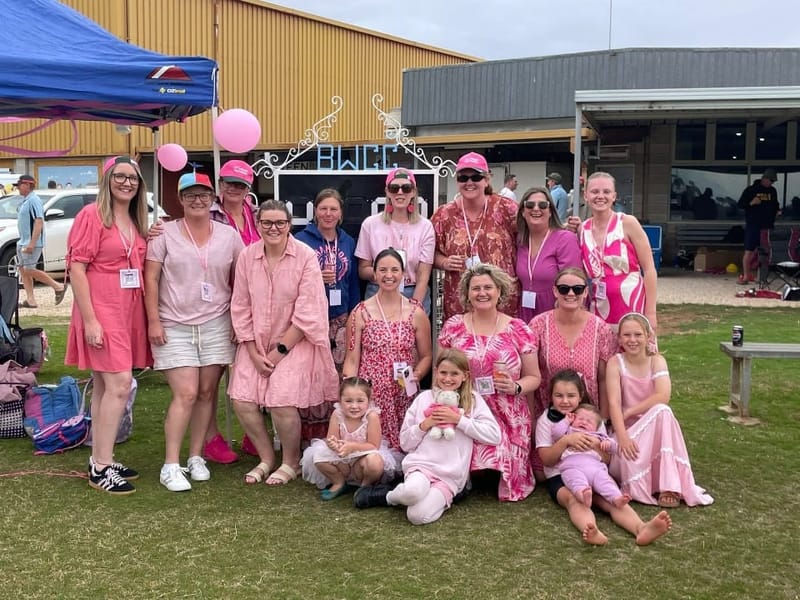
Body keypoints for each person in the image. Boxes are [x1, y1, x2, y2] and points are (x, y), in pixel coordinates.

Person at [144, 172, 244, 492]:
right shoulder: (164, 232)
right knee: (185, 392)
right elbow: (150, 279)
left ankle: (196, 456)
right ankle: (170, 464)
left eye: (203, 194)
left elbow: (242, 277)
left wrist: (238, 321)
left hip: (216, 322)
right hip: (174, 322)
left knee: (205, 392)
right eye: (190, 195)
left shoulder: (229, 235)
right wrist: (153, 321)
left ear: (213, 197)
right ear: (180, 199)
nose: (197, 200)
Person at [229, 200, 339, 486]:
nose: (273, 228)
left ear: (289, 225)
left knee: (281, 401)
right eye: (267, 222)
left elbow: (309, 310)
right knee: (241, 399)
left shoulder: (305, 256)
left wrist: (278, 353)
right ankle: (266, 458)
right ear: (258, 224)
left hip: (293, 342)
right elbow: (240, 305)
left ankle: (291, 462)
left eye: (280, 223)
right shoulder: (246, 257)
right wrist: (253, 352)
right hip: (254, 343)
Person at [65, 156, 151, 495]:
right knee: (119, 385)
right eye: (120, 176)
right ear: (108, 180)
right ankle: (100, 468)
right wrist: (90, 320)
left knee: (104, 388)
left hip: (126, 309)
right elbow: (77, 269)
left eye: (132, 178)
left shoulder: (134, 219)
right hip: (102, 309)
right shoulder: (91, 216)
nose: (127, 182)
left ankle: (102, 457)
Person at [354, 349, 502, 522]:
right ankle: (386, 496)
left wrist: (459, 420)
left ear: (465, 376)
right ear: (436, 371)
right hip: (422, 466)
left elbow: (494, 435)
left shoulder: (473, 400)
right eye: (443, 372)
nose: (447, 378)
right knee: (412, 493)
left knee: (416, 516)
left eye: (454, 373)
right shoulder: (424, 398)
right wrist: (425, 425)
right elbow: (405, 443)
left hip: (451, 476)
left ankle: (411, 496)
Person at [438, 264, 540, 502]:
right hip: (466, 406)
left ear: (499, 291)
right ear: (467, 293)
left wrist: (516, 387)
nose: (482, 293)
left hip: (507, 410)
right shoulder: (453, 326)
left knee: (504, 458)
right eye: (476, 289)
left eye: (488, 288)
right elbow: (440, 372)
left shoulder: (518, 329)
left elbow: (534, 377)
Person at [537, 369, 672, 546]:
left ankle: (641, 528)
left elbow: (607, 458)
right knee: (576, 500)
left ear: (580, 396)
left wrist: (594, 443)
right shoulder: (546, 421)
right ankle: (591, 528)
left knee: (613, 499)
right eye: (559, 395)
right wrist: (566, 441)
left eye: (571, 395)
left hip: (594, 470)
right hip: (560, 476)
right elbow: (546, 459)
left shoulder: (590, 417)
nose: (565, 401)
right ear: (551, 396)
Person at [607, 312, 714, 507]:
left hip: (654, 428)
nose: (632, 340)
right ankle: (659, 484)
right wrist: (622, 436)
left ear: (649, 336)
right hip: (628, 432)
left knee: (662, 411)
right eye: (627, 335)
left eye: (638, 335)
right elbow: (613, 403)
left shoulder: (656, 361)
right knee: (661, 413)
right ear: (619, 338)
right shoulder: (615, 363)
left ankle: (669, 487)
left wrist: (630, 411)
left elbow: (663, 396)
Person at [198, 159, 260, 463]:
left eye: (241, 184)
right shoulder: (207, 214)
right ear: (220, 185)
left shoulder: (256, 215)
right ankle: (211, 438)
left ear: (248, 188)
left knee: (251, 374)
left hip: (253, 306)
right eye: (229, 183)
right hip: (217, 305)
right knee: (211, 378)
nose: (234, 189)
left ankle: (253, 431)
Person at [528, 267, 617, 479]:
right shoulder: (538, 325)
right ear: (555, 291)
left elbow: (604, 378)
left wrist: (602, 419)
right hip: (550, 416)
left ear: (586, 292)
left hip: (587, 415)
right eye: (564, 288)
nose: (570, 294)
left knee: (592, 468)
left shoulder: (600, 329)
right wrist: (532, 419)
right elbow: (531, 374)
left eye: (577, 289)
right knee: (542, 474)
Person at [343, 248, 432, 450]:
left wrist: (418, 374)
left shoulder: (416, 312)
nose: (389, 275)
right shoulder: (361, 312)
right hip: (372, 390)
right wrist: (351, 393)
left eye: (394, 270)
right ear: (374, 274)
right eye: (383, 270)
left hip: (403, 389)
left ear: (403, 274)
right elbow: (352, 358)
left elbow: (426, 355)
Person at [432, 152, 519, 322]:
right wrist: (444, 262)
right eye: (463, 178)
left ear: (486, 180)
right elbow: (428, 253)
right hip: (460, 303)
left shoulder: (506, 208)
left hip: (502, 302)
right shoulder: (444, 214)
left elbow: (532, 236)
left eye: (476, 177)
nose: (469, 182)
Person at [578, 171, 658, 331]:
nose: (600, 196)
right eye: (594, 192)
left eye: (606, 192)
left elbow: (649, 269)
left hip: (631, 304)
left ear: (614, 196)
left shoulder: (628, 223)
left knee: (634, 351)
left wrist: (651, 312)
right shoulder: (583, 229)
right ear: (586, 196)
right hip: (599, 307)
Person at [295, 188, 361, 372]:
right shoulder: (300, 240)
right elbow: (291, 279)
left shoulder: (347, 241)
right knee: (312, 369)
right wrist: (315, 277)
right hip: (311, 315)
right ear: (315, 211)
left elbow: (353, 281)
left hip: (341, 316)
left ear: (341, 213)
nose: (328, 214)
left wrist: (353, 315)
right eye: (323, 208)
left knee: (339, 368)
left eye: (333, 209)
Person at [300, 377, 398, 500]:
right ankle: (339, 482)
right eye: (348, 401)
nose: (354, 406)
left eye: (360, 401)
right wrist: (334, 445)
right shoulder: (337, 414)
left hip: (363, 458)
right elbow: (331, 438)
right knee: (318, 456)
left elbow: (374, 445)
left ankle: (365, 486)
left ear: (369, 400)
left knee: (375, 462)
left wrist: (352, 447)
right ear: (340, 400)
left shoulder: (371, 416)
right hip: (343, 459)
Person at [355, 168, 434, 315]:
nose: (400, 192)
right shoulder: (370, 224)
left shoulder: (425, 227)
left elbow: (424, 274)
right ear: (387, 191)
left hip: (413, 292)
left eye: (406, 188)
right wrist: (386, 275)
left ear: (413, 192)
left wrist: (414, 308)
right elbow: (362, 269)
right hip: (377, 292)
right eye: (394, 188)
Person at [515, 186, 581, 322]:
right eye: (530, 205)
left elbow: (574, 284)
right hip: (526, 311)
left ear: (550, 211)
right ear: (522, 212)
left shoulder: (565, 239)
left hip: (556, 311)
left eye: (543, 205)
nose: (536, 209)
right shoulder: (520, 241)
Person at [552, 403, 629, 508]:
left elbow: (615, 448)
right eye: (580, 419)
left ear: (596, 428)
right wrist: (566, 421)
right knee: (575, 481)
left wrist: (608, 444)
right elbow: (555, 434)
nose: (584, 422)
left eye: (589, 421)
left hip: (596, 469)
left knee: (605, 482)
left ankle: (616, 498)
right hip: (572, 467)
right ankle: (583, 496)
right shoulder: (569, 431)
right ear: (573, 420)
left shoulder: (599, 435)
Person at [13, 174, 67, 309]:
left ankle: (58, 286)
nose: (18, 188)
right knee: (23, 270)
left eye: (19, 185)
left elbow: (38, 221)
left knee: (29, 269)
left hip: (31, 243)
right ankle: (30, 300)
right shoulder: (26, 200)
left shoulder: (34, 200)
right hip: (22, 241)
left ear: (27, 185)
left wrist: (32, 243)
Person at [737, 169, 779, 285]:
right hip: (753, 225)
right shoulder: (751, 190)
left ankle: (761, 277)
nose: (771, 183)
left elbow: (775, 205)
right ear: (764, 178)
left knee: (765, 252)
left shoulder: (772, 191)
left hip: (767, 226)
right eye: (770, 180)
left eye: (773, 181)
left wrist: (777, 212)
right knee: (749, 251)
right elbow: (740, 205)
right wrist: (751, 203)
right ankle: (746, 276)